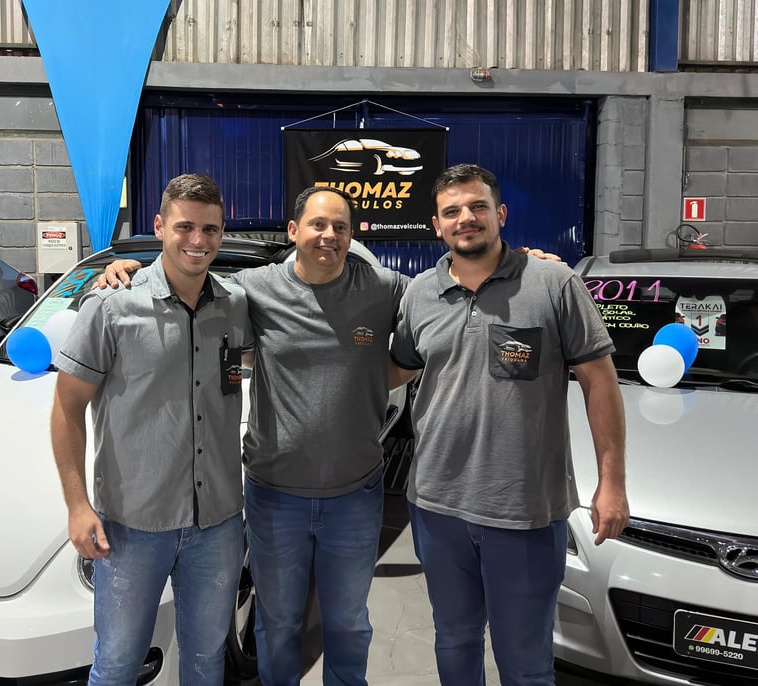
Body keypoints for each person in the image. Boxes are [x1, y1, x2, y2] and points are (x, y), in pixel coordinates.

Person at [99, 184, 558, 686]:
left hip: (355, 494)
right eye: (318, 224)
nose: (329, 235)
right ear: (295, 231)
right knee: (277, 625)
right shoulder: (253, 288)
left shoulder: (384, 286)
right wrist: (128, 272)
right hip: (274, 494)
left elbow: (450, 287)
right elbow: (190, 280)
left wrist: (519, 265)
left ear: (352, 235)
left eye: (340, 226)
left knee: (347, 624)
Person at [389, 164, 630, 686]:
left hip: (523, 511)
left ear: (499, 214)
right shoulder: (420, 294)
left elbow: (600, 382)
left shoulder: (553, 283)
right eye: (452, 211)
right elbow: (399, 367)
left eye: (477, 207)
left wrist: (612, 483)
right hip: (436, 506)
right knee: (454, 642)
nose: (465, 218)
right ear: (437, 224)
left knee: (524, 661)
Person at [50, 174, 253, 686]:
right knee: (117, 665)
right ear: (160, 226)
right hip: (133, 527)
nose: (198, 240)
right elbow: (66, 408)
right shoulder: (112, 306)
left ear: (222, 232)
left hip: (219, 524)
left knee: (206, 661)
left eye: (210, 229)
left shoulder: (236, 307)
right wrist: (77, 505)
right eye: (185, 226)